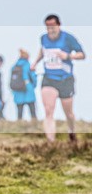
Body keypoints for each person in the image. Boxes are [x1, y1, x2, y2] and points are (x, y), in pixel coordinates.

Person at [31, 14, 85, 142]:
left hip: (65, 79)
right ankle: (51, 142)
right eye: (48, 27)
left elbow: (82, 54)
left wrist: (67, 56)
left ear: (58, 25)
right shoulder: (43, 38)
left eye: (53, 27)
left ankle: (71, 132)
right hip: (49, 78)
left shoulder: (68, 38)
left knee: (69, 114)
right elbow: (42, 51)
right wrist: (35, 62)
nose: (50, 30)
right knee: (48, 110)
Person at [11, 49, 37, 121]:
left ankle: (19, 122)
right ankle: (34, 121)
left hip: (17, 91)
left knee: (19, 111)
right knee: (32, 109)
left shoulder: (14, 66)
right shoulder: (28, 65)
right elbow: (33, 77)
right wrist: (33, 85)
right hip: (28, 88)